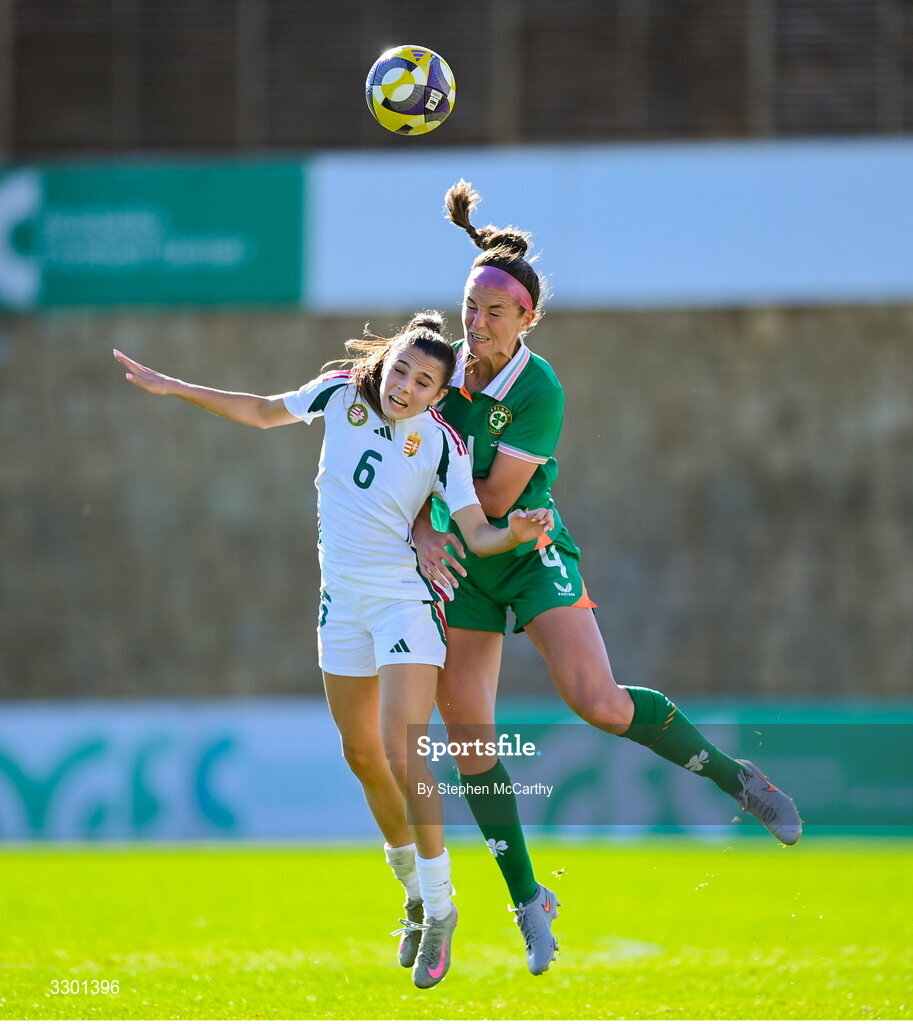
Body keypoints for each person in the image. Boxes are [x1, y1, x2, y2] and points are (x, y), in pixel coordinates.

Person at [411, 181, 803, 976]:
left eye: (494, 312)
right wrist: (417, 523)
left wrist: (428, 517)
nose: (475, 322)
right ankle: (529, 899)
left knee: (596, 702)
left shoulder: (538, 388)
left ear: (527, 321)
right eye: (469, 306)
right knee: (469, 738)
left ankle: (738, 780)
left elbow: (489, 502)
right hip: (463, 564)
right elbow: (396, 464)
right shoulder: (434, 370)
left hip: (522, 549)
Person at [113, 311, 553, 989]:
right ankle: (409, 888)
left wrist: (516, 532)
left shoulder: (440, 446)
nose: (404, 386)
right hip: (340, 605)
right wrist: (173, 385)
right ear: (388, 362)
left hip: (403, 603)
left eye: (423, 382)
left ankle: (441, 908)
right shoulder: (342, 393)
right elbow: (262, 413)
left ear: (439, 396)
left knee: (403, 750)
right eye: (401, 369)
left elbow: (476, 531)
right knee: (363, 758)